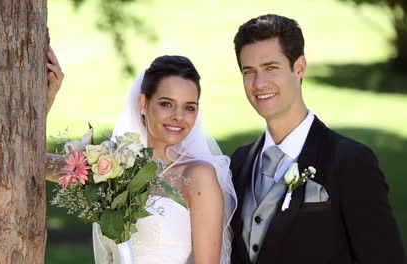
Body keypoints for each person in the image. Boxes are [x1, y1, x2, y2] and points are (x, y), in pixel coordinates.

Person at [229, 14, 406, 264]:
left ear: (299, 67)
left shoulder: (351, 162)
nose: (259, 83)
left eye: (271, 68)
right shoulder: (238, 162)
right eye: (249, 72)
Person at [46, 54, 237, 263]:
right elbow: (38, 164)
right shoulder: (109, 166)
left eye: (189, 107)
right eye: (166, 104)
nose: (178, 116)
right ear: (143, 103)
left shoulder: (198, 175)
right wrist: (46, 100)